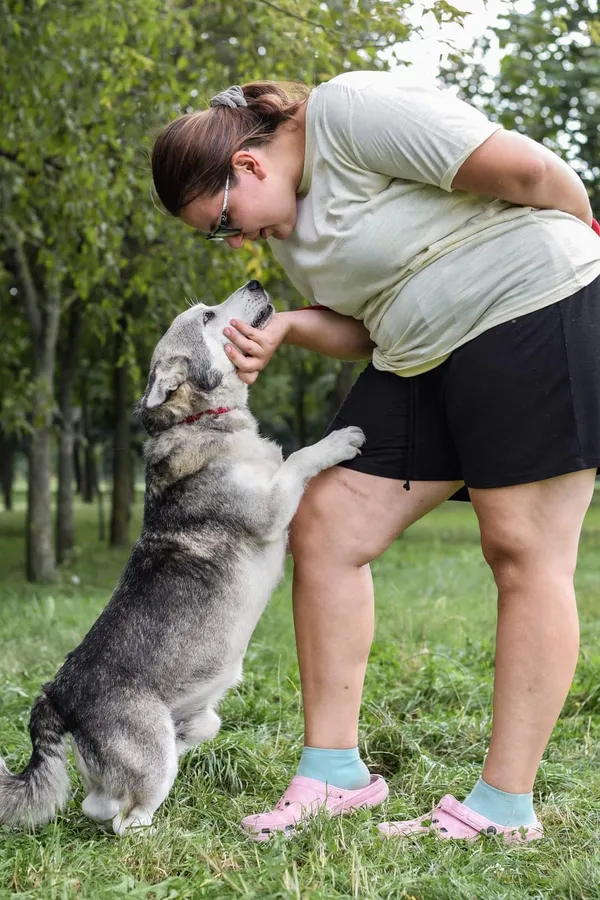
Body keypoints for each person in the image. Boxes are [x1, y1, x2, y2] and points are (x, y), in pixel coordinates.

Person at [152, 71, 600, 843]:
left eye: (222, 222)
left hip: (534, 305)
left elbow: (528, 171)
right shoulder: (290, 230)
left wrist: (581, 249)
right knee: (326, 522)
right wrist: (290, 325)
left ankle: (501, 809)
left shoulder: (351, 112)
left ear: (248, 166)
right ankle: (334, 776)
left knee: (522, 548)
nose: (232, 242)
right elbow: (367, 322)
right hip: (421, 355)